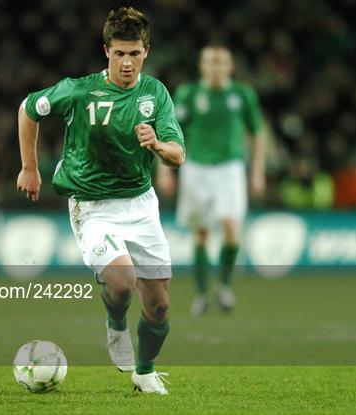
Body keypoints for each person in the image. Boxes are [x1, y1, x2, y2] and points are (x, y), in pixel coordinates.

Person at [16, 7, 184, 394]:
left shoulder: (155, 93)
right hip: (92, 205)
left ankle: (145, 371)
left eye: (135, 54)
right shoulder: (79, 90)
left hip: (141, 205)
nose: (127, 62)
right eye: (119, 53)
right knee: (123, 283)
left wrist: (157, 144)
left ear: (147, 52)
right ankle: (115, 323)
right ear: (106, 51)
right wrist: (30, 168)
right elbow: (28, 109)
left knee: (159, 304)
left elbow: (178, 154)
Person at [157, 46, 265, 315]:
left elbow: (257, 134)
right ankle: (202, 294)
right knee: (201, 232)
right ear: (201, 67)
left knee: (230, 227)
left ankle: (224, 286)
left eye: (221, 64)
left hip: (230, 168)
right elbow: (169, 131)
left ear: (230, 67)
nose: (216, 69)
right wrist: (165, 171)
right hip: (196, 169)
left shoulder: (242, 94)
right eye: (210, 64)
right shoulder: (189, 94)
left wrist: (257, 172)